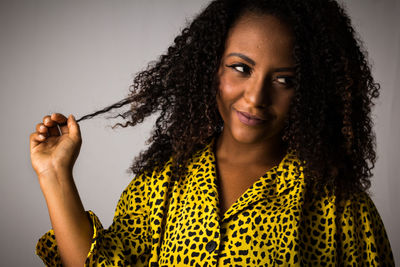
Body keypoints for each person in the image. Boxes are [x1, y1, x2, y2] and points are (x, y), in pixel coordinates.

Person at [30, 0, 395, 266]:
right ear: (211, 69)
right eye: (241, 68)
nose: (255, 97)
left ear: (312, 91)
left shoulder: (341, 207)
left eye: (285, 80)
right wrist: (54, 173)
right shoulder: (161, 184)